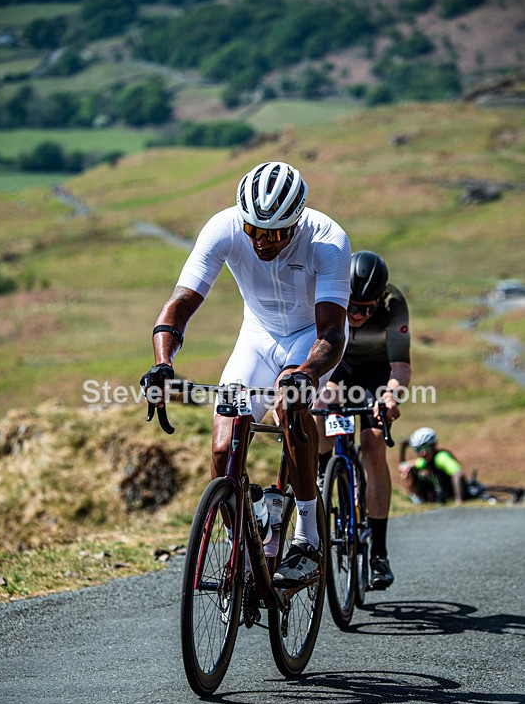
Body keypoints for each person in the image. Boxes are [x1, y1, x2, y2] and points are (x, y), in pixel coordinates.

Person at [140, 161, 351, 586]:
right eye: (254, 230)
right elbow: (178, 306)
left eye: (273, 233)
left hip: (309, 337)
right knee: (223, 449)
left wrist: (308, 374)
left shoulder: (327, 240)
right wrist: (163, 364)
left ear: (296, 222)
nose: (261, 242)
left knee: (289, 406)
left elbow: (332, 331)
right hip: (256, 335)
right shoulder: (223, 227)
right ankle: (249, 539)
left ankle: (307, 537)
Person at [313, 251, 412, 590]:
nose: (356, 315)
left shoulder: (393, 304)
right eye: (352, 306)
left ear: (380, 300)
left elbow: (400, 367)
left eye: (366, 309)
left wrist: (390, 396)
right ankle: (323, 473)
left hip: (374, 374)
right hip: (336, 366)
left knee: (372, 447)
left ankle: (379, 555)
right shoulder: (329, 291)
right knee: (321, 409)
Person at [399, 427, 469, 505]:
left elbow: (458, 474)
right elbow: (403, 466)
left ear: (433, 446)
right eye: (418, 450)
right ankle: (419, 500)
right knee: (408, 472)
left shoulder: (441, 457)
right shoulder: (425, 461)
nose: (422, 453)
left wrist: (459, 501)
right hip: (439, 496)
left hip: (450, 495)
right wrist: (403, 449)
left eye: (425, 448)